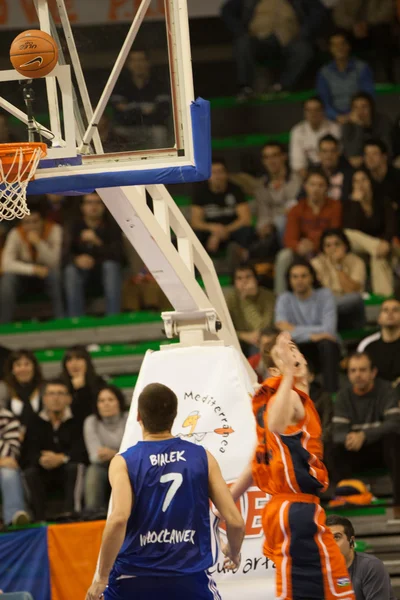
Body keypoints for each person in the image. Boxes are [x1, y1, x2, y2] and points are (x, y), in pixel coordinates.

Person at [224, 332, 354, 600]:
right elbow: (276, 423)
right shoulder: (286, 398)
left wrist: (224, 503)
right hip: (295, 510)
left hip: (290, 509)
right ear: (275, 369)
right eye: (288, 351)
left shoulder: (297, 396)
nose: (296, 355)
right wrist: (287, 373)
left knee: (333, 591)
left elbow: (258, 462)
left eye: (295, 349)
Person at [86, 382, 245, 600]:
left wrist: (101, 579)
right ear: (175, 415)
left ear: (138, 416)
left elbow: (118, 519)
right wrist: (234, 552)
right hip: (188, 579)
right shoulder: (202, 457)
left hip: (132, 579)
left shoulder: (122, 461)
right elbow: (235, 521)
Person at [331, 352, 400, 519]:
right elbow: (337, 433)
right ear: (348, 374)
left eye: (362, 370)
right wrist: (350, 438)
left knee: (394, 440)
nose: (358, 375)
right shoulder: (343, 396)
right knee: (332, 448)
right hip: (356, 451)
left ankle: (398, 503)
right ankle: (346, 496)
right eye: (353, 370)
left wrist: (364, 435)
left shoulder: (386, 390)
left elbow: (394, 423)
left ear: (373, 372)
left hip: (381, 450)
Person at [220, 0, 327, 100]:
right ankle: (246, 88)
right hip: (257, 39)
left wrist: (305, 32)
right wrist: (240, 31)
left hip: (290, 39)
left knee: (303, 49)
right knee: (242, 43)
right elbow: (227, 10)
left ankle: (281, 86)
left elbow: (318, 10)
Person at [24, 378, 87, 522]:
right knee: (29, 472)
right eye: (51, 394)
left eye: (60, 393)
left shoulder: (77, 421)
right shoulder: (34, 421)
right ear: (44, 399)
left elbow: (82, 451)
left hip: (66, 468)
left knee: (75, 468)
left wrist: (62, 458)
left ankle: (71, 514)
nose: (56, 398)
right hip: (43, 469)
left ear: (69, 399)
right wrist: (41, 459)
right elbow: (28, 452)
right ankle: (39, 519)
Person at [275, 258, 341, 393]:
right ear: (289, 280)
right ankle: (293, 392)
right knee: (286, 345)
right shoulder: (284, 299)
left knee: (327, 343)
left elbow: (329, 330)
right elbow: (282, 330)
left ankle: (331, 393)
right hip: (299, 348)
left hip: (324, 348)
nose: (299, 280)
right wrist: (314, 335)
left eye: (304, 276)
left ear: (312, 277)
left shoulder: (325, 295)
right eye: (295, 276)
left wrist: (294, 329)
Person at [274, 167, 342, 295]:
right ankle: (281, 299)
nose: (316, 189)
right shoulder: (296, 209)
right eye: (312, 184)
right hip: (301, 252)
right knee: (284, 256)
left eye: (321, 185)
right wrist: (299, 247)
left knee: (333, 252)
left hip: (325, 250)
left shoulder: (335, 206)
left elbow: (334, 233)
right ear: (305, 186)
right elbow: (289, 239)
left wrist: (313, 244)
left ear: (327, 188)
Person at [0, 199, 64, 323]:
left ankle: (61, 320)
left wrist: (39, 243)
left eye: (35, 222)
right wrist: (33, 270)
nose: (31, 226)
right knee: (7, 279)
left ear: (43, 221)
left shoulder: (54, 230)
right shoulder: (16, 233)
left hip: (48, 274)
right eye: (27, 223)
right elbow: (6, 264)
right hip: (24, 277)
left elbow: (56, 262)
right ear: (22, 224)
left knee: (55, 275)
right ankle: (4, 324)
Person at [62, 192, 125, 317]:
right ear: (82, 207)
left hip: (105, 273)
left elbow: (119, 256)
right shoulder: (73, 226)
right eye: (89, 203)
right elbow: (63, 256)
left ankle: (114, 317)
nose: (94, 206)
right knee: (70, 271)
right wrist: (76, 260)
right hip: (82, 273)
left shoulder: (112, 225)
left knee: (111, 267)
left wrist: (97, 243)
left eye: (98, 203)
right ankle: (76, 320)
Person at [343, 168, 395, 297]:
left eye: (364, 180)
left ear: (370, 182)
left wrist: (385, 241)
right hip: (359, 248)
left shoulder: (383, 201)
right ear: (352, 185)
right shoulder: (349, 204)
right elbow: (351, 229)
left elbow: (391, 226)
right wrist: (356, 203)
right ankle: (376, 247)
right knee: (347, 233)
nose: (360, 184)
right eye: (356, 181)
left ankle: (383, 300)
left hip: (384, 247)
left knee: (378, 257)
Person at [191, 158, 253, 256]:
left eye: (220, 172)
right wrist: (213, 229)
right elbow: (195, 222)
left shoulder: (236, 190)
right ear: (208, 175)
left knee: (247, 231)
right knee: (195, 235)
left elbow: (245, 219)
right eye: (214, 172)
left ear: (226, 174)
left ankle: (243, 265)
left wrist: (223, 231)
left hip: (232, 230)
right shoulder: (200, 192)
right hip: (210, 232)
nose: (217, 176)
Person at [111, 49, 171, 149]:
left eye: (141, 60)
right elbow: (120, 114)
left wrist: (130, 108)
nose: (137, 64)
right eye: (133, 61)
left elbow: (162, 112)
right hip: (127, 129)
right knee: (116, 133)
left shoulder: (159, 84)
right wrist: (145, 109)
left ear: (148, 62)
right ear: (128, 64)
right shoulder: (120, 85)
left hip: (153, 128)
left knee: (159, 132)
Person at [327, 514, 396, 599]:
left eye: (337, 537)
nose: (331, 544)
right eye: (327, 539)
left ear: (351, 541)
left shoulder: (370, 566)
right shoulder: (318, 570)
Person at [83, 385, 128, 513]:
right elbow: (94, 457)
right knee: (93, 471)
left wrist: (113, 453)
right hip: (102, 466)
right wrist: (119, 452)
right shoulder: (91, 422)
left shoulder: (129, 419)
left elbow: (133, 453)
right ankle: (92, 513)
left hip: (127, 465)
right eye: (101, 401)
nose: (106, 404)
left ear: (119, 402)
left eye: (110, 400)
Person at [311, 228, 366, 330]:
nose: (333, 249)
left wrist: (338, 266)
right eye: (328, 245)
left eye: (337, 244)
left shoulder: (357, 262)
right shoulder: (316, 264)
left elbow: (351, 292)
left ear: (345, 246)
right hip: (325, 310)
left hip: (349, 311)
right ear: (323, 249)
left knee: (355, 298)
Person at [316, 30, 375, 124]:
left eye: (342, 44)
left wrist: (353, 115)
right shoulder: (324, 73)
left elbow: (368, 96)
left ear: (348, 46)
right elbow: (324, 102)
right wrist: (336, 116)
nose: (339, 48)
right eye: (335, 45)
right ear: (330, 48)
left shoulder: (362, 68)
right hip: (334, 120)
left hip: (359, 116)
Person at [333, 0, 396, 83]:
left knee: (382, 32)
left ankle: (388, 77)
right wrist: (354, 25)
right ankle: (342, 77)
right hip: (353, 29)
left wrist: (366, 24)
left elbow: (387, 12)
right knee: (339, 36)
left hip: (375, 27)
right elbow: (338, 15)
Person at [253, 142, 301, 249]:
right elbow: (263, 213)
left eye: (275, 156)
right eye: (267, 157)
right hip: (272, 231)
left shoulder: (296, 179)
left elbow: (293, 207)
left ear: (284, 157)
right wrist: (264, 227)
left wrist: (273, 223)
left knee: (281, 221)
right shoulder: (262, 186)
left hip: (294, 224)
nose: (271, 161)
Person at [226, 264, 275, 357]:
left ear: (256, 279)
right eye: (239, 278)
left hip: (262, 339)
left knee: (260, 344)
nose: (244, 281)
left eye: (248, 277)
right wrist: (244, 336)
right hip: (238, 341)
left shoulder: (268, 297)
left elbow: (264, 326)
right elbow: (222, 328)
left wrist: (246, 301)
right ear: (234, 282)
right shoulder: (229, 299)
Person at [289, 96, 341, 179]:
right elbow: (298, 164)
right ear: (305, 112)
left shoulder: (334, 128)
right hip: (308, 173)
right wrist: (312, 181)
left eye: (316, 110)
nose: (313, 114)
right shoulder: (297, 131)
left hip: (332, 170)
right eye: (309, 110)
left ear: (323, 111)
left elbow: (337, 156)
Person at [342, 93, 392, 168]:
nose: (360, 111)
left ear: (371, 108)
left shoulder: (383, 122)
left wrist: (365, 159)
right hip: (358, 168)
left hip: (381, 164)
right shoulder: (348, 125)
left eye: (364, 107)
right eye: (356, 108)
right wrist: (358, 126)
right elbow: (352, 154)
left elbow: (388, 151)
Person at [61, 345, 106, 429]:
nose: (74, 364)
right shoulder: (59, 385)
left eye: (78, 358)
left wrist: (81, 390)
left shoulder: (99, 384)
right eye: (69, 360)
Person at [358, 299, 400, 385]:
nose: (390, 313)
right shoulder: (366, 345)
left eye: (395, 310)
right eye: (385, 310)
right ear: (379, 318)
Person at [0, 407, 30, 527]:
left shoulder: (6, 417)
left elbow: (11, 456)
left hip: (3, 468)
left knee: (9, 472)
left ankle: (13, 519)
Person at [3, 350, 43, 431]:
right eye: (18, 365)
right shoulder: (4, 389)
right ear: (12, 369)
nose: (23, 369)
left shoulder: (44, 388)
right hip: (12, 438)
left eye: (27, 364)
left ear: (34, 367)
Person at [317, 134, 353, 201]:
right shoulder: (312, 174)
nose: (329, 155)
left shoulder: (349, 174)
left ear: (338, 153)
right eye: (324, 151)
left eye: (332, 151)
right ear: (318, 154)